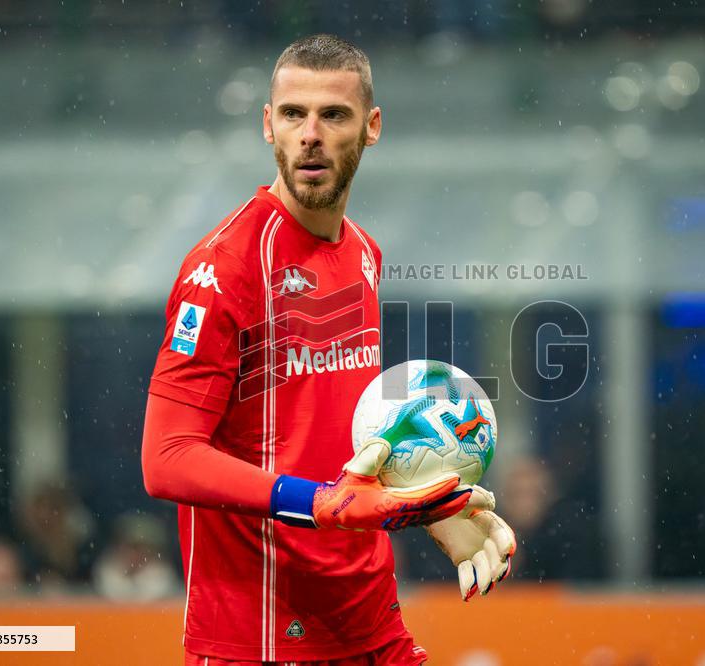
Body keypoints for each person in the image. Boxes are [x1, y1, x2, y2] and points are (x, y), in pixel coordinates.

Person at [141, 34, 516, 665]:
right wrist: (319, 506)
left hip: (368, 617)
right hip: (262, 633)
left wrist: (429, 511)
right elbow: (167, 459)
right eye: (293, 114)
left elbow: (347, 440)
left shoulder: (364, 254)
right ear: (268, 125)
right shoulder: (224, 267)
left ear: (371, 128)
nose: (310, 134)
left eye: (333, 115)